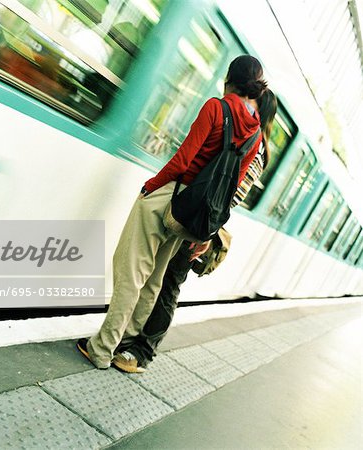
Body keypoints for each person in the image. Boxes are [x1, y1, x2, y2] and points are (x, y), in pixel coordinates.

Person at [77, 55, 267, 370]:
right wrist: (208, 231)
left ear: (228, 78)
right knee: (154, 279)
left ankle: (101, 349)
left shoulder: (216, 107)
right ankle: (126, 342)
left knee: (131, 272)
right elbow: (231, 188)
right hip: (193, 215)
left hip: (171, 194)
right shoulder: (256, 134)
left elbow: (182, 160)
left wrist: (151, 186)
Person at [112, 89, 278, 373]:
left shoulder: (254, 144)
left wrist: (209, 232)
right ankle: (126, 341)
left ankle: (142, 351)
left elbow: (229, 193)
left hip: (203, 219)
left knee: (169, 284)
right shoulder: (249, 136)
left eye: (251, 102)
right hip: (202, 215)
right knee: (158, 278)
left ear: (257, 108)